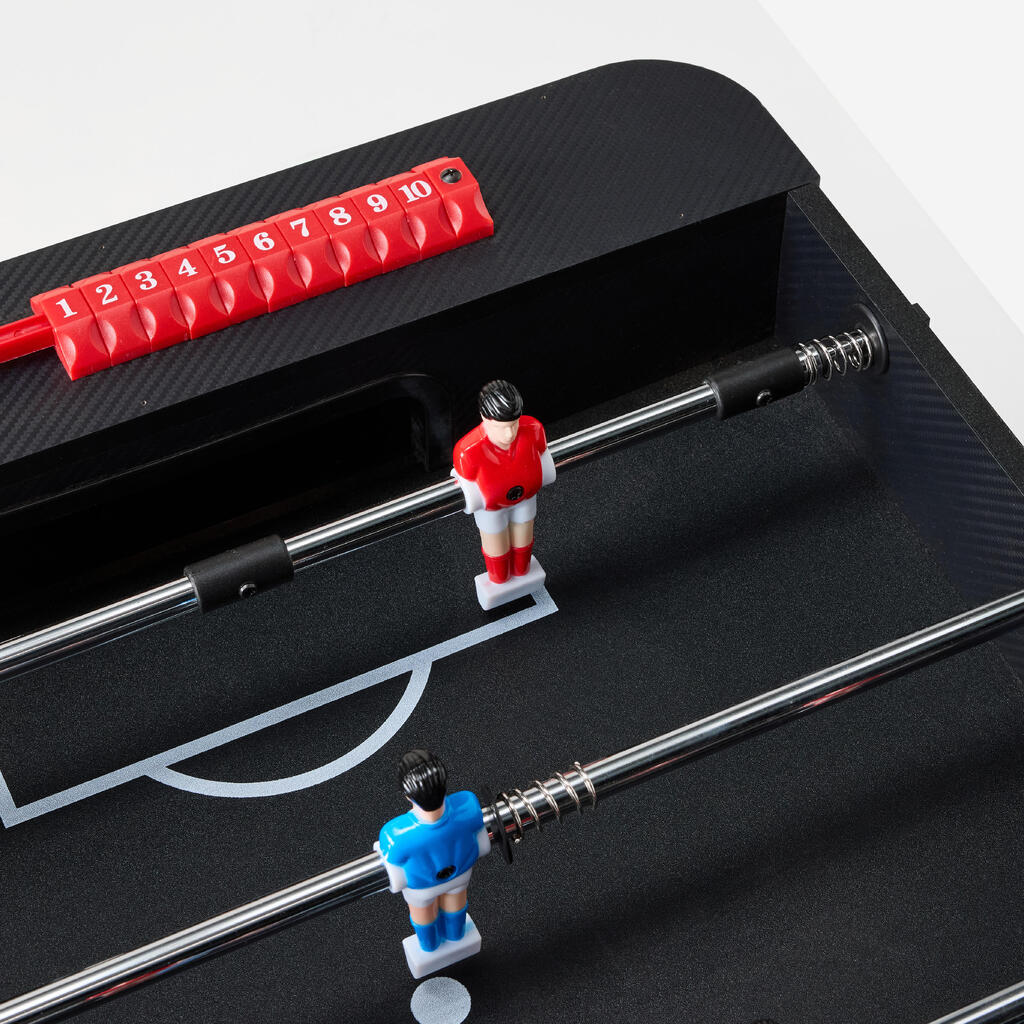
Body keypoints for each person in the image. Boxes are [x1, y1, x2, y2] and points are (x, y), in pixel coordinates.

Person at [376, 750, 491, 978]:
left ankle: (429, 948)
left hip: (421, 888)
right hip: (460, 875)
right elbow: (481, 837)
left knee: (424, 915)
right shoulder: (468, 805)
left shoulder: (394, 834)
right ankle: (457, 937)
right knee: (456, 905)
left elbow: (393, 862)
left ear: (407, 795)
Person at [451, 380, 556, 609]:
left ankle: (522, 573)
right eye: (501, 427)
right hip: (491, 509)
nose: (509, 433)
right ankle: (499, 582)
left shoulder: (534, 430)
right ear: (484, 418)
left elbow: (544, 457)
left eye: (514, 424)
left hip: (525, 499)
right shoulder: (468, 452)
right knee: (497, 550)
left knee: (523, 547)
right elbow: (466, 482)